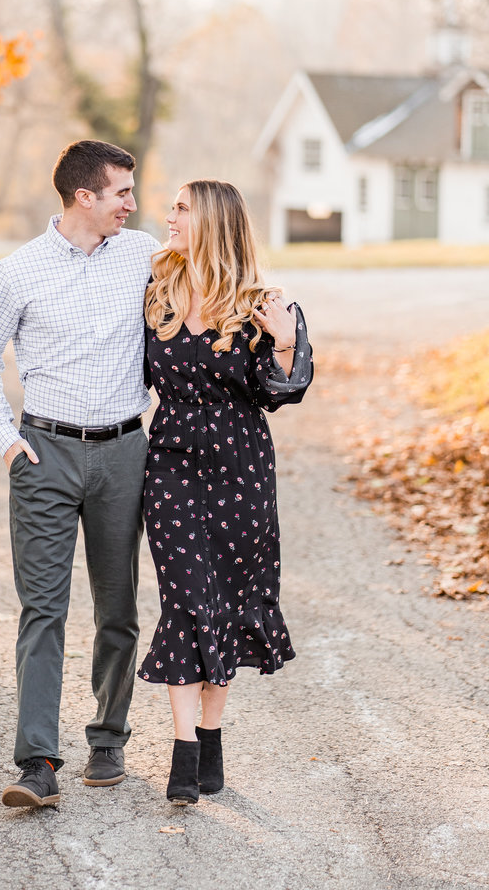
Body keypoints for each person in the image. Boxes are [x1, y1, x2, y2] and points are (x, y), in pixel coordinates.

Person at [0, 139, 158, 809]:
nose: (132, 204)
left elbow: (208, 288)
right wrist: (7, 442)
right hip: (44, 454)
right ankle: (37, 761)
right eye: (121, 193)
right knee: (43, 609)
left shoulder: (145, 254)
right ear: (85, 197)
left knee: (119, 607)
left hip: (125, 452)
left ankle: (108, 736)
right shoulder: (17, 271)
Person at [137, 180, 313, 804]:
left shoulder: (264, 301)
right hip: (171, 462)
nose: (168, 217)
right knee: (185, 597)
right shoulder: (157, 292)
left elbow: (282, 391)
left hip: (241, 467)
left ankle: (211, 736)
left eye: (181, 209)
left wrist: (285, 341)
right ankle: (185, 750)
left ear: (212, 220)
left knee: (231, 601)